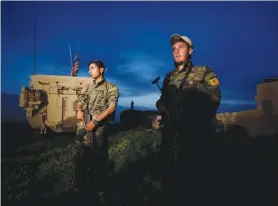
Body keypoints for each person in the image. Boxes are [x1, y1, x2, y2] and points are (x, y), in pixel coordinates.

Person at [155, 34, 221, 202]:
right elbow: (163, 101)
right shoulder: (169, 77)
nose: (176, 51)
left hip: (196, 138)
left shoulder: (204, 72)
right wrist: (162, 110)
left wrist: (191, 108)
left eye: (181, 47)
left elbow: (215, 97)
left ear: (190, 51)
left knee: (195, 186)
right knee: (170, 184)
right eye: (174, 49)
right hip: (170, 140)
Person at [75, 60, 119, 205]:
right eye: (89, 68)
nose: (89, 71)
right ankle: (84, 190)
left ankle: (102, 192)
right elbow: (80, 100)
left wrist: (95, 121)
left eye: (92, 68)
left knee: (99, 161)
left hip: (99, 129)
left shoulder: (111, 87)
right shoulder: (88, 87)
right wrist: (79, 110)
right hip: (85, 128)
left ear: (101, 69)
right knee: (82, 160)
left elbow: (111, 108)